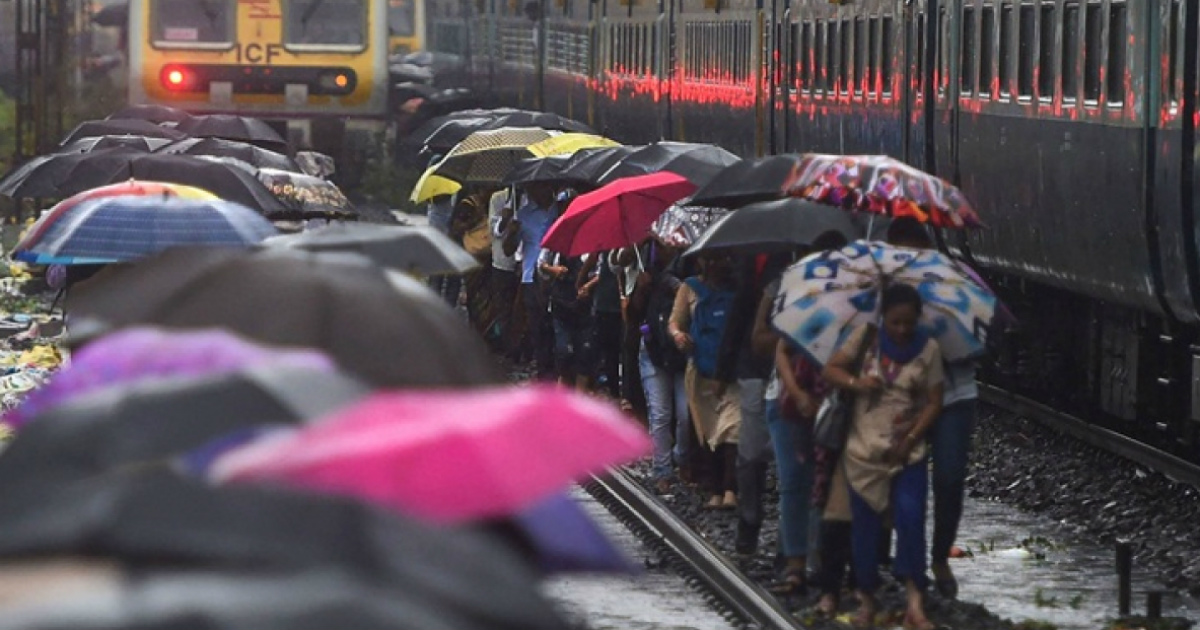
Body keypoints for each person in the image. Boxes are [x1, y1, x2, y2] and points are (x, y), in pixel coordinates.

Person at [823, 283, 944, 630]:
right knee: (864, 529)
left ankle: (914, 603)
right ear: (883, 319)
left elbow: (935, 400)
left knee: (911, 518)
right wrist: (857, 383)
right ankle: (866, 599)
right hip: (863, 451)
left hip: (908, 451)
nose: (902, 330)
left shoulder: (929, 350)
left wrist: (912, 437)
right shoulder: (865, 338)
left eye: (908, 323)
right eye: (895, 323)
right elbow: (831, 370)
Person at [886, 216, 978, 600]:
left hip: (954, 394)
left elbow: (979, 336)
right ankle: (911, 563)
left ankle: (939, 556)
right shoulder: (884, 289)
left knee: (950, 478)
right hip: (904, 399)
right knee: (907, 484)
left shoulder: (954, 281)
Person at [716, 254, 780, 557]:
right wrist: (724, 366)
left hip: (804, 369)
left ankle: (789, 540)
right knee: (751, 450)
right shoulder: (758, 257)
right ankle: (750, 520)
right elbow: (740, 311)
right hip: (758, 365)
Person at [669, 251, 741, 510]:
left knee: (732, 429)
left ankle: (730, 488)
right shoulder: (689, 288)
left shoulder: (739, 287)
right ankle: (716, 488)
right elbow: (675, 321)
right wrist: (679, 336)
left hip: (732, 370)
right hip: (700, 371)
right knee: (708, 431)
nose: (713, 262)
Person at [631, 241, 691, 492]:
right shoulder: (646, 272)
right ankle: (662, 469)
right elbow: (633, 315)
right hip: (653, 350)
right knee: (660, 413)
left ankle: (681, 456)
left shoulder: (686, 272)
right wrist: (641, 290)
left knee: (685, 414)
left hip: (681, 352)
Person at [505, 182, 558, 380]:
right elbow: (509, 250)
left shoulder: (561, 209)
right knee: (537, 327)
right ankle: (543, 372)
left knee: (554, 327)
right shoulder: (523, 215)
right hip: (531, 277)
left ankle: (557, 371)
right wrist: (510, 231)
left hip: (556, 274)